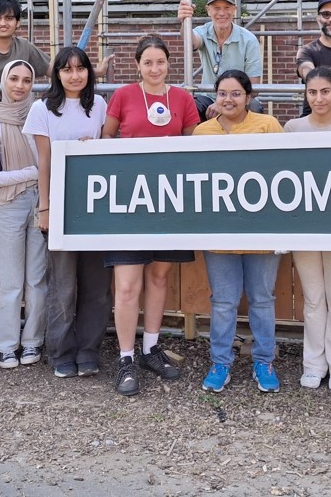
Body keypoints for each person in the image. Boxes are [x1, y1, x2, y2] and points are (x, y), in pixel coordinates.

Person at [101, 35, 200, 396]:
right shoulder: (124, 96)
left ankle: (150, 349)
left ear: (168, 64)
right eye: (148, 62)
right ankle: (126, 357)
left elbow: (194, 144)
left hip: (169, 202)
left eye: (161, 62)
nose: (155, 68)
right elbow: (106, 139)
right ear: (138, 65)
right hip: (129, 201)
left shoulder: (183, 99)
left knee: (159, 277)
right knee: (127, 285)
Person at [193, 70, 285, 393]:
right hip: (219, 232)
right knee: (223, 301)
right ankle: (220, 362)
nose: (228, 99)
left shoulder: (268, 125)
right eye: (222, 93)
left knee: (262, 299)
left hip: (262, 231)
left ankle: (264, 360)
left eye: (235, 93)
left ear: (249, 96)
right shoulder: (202, 132)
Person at [25, 46, 111, 379]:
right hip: (60, 204)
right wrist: (44, 207)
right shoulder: (42, 109)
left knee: (97, 286)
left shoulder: (100, 106)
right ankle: (60, 351)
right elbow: (43, 162)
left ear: (89, 72)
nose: (74, 75)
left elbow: (108, 152)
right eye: (66, 69)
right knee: (62, 285)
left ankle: (88, 349)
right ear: (57, 74)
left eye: (80, 68)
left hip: (96, 205)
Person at [284, 66, 331, 391]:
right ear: (306, 95)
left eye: (325, 92)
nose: (319, 98)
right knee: (313, 297)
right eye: (312, 92)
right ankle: (313, 364)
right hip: (304, 227)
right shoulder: (291, 128)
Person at [0, 60, 46, 370]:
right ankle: (7, 345)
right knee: (10, 282)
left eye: (26, 80)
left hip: (41, 202)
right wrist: (32, 172)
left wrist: (34, 174)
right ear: (4, 82)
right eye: (14, 79)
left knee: (36, 279)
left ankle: (33, 342)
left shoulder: (41, 115)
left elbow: (47, 157)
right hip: (8, 205)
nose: (20, 85)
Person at [177, 0, 263, 119]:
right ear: (208, 10)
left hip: (238, 98)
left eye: (227, 7)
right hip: (208, 98)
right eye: (216, 8)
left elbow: (253, 85)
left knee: (255, 107)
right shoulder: (204, 31)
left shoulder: (249, 40)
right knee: (190, 107)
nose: (222, 13)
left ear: (234, 9)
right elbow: (191, 41)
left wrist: (224, 102)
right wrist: (185, 21)